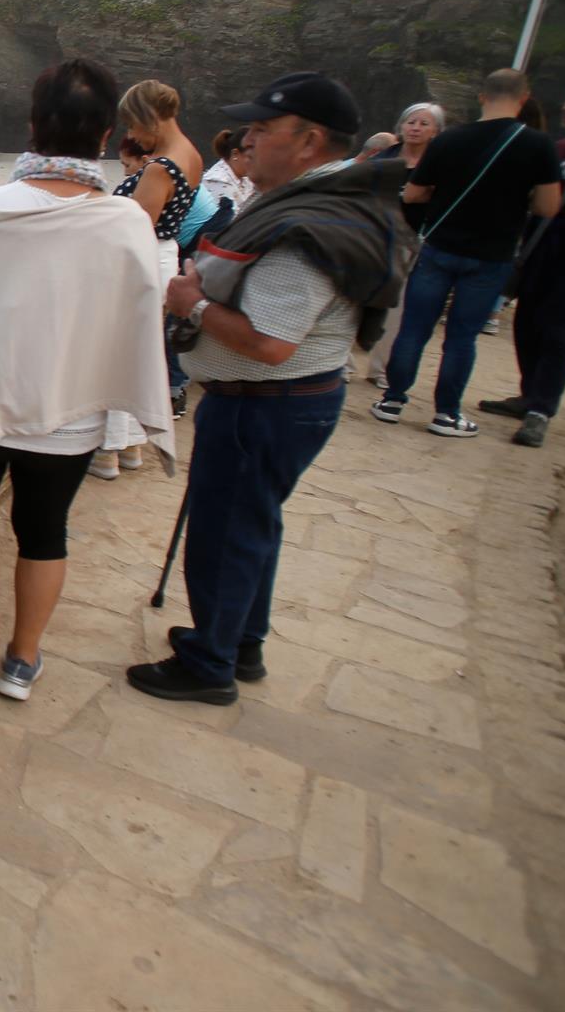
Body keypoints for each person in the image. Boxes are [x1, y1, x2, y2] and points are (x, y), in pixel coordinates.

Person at [0, 60, 172, 709]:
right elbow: (138, 312)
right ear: (106, 135)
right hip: (69, 413)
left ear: (31, 126)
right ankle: (21, 663)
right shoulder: (128, 221)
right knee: (46, 534)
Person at [128, 72, 407, 703]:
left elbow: (272, 340)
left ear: (308, 141)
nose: (246, 139)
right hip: (283, 401)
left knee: (226, 531)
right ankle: (240, 638)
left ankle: (210, 663)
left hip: (268, 401)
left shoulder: (308, 225)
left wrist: (193, 305)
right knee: (251, 524)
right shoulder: (308, 202)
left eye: (261, 129)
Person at [372, 69, 561, 438]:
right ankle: (446, 414)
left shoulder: (449, 140)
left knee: (415, 326)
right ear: (523, 99)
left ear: (481, 96)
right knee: (462, 336)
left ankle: (392, 400)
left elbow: (413, 194)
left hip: (441, 245)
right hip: (493, 253)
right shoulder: (538, 145)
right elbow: (547, 206)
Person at [90, 81, 203, 478]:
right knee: (141, 354)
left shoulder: (159, 167)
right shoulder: (191, 155)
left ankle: (107, 449)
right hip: (165, 255)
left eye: (134, 126)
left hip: (142, 259)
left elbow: (136, 229)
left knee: (117, 354)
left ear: (148, 118)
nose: (132, 136)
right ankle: (132, 445)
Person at [485, 82, 565, 446]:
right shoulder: (558, 149)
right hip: (542, 241)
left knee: (559, 328)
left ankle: (541, 409)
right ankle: (529, 392)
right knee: (528, 320)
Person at [352, 103, 446, 386]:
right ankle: (341, 363)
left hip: (411, 241)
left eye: (424, 123)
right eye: (411, 122)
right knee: (354, 298)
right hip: (373, 237)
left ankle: (381, 369)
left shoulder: (438, 165)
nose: (415, 128)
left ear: (436, 131)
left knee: (396, 308)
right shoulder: (384, 158)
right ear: (401, 126)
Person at [201, 127, 257, 217]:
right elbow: (233, 223)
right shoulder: (217, 181)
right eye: (251, 158)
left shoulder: (246, 178)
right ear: (235, 154)